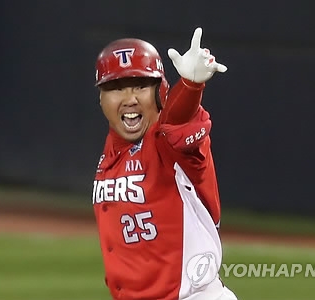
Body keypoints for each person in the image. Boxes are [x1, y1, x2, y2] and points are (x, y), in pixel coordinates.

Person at [92, 27, 237, 300]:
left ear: (161, 92)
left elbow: (178, 120)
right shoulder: (114, 148)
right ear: (101, 99)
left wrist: (191, 86)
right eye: (116, 88)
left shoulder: (168, 144)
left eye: (140, 85)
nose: (129, 98)